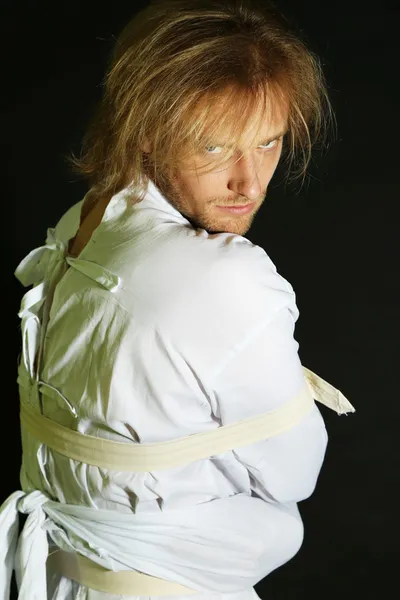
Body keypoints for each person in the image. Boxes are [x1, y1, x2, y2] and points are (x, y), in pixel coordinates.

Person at [0, 0, 355, 598]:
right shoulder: (222, 276)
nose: (249, 181)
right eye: (214, 148)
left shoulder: (82, 226)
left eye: (268, 142)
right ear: (144, 130)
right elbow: (295, 471)